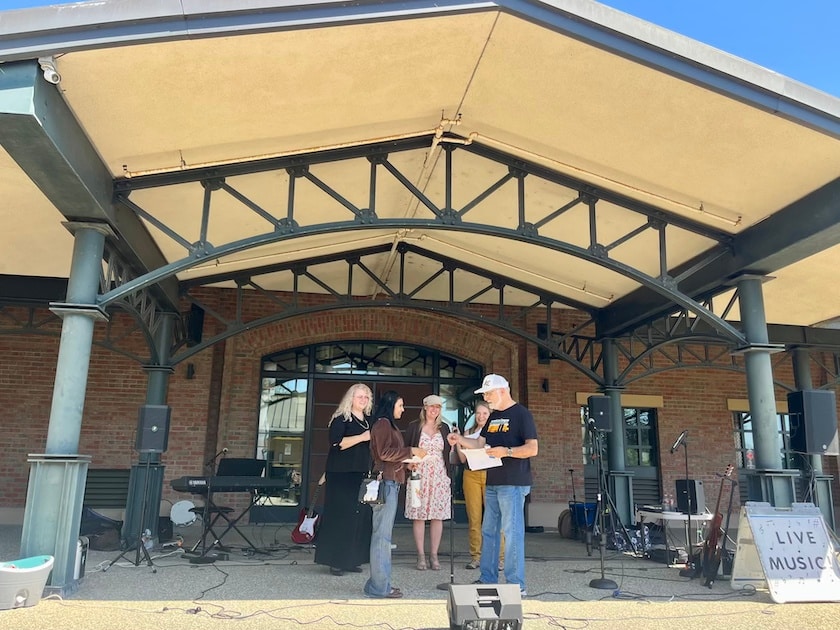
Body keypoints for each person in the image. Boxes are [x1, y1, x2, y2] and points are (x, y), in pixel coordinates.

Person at [447, 374, 538, 597]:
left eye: (488, 393)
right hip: (493, 481)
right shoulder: (493, 416)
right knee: (489, 531)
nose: (486, 398)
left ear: (502, 391)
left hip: (513, 483)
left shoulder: (521, 414)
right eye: (485, 394)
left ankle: (516, 585)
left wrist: (506, 452)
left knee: (511, 532)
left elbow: (532, 448)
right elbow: (479, 442)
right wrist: (459, 440)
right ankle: (488, 578)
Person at [365, 390, 427, 599]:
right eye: (400, 405)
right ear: (391, 405)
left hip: (392, 482)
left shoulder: (386, 424)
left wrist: (407, 462)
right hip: (387, 484)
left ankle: (379, 584)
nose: (403, 409)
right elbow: (383, 453)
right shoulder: (383, 423)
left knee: (382, 536)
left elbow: (389, 455)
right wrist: (411, 452)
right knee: (382, 537)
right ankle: (379, 587)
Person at [314, 383, 374, 576]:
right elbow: (336, 443)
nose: (363, 400)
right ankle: (335, 561)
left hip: (360, 474)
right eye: (359, 397)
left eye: (366, 397)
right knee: (339, 516)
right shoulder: (341, 419)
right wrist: (363, 437)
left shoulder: (369, 420)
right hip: (341, 474)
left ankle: (351, 559)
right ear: (351, 398)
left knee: (357, 517)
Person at [404, 394, 452, 571]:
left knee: (437, 516)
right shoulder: (414, 427)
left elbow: (449, 453)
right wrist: (408, 466)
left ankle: (434, 555)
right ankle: (421, 556)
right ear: (425, 407)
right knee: (419, 515)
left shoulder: (444, 428)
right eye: (431, 406)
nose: (434, 410)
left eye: (438, 407)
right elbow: (406, 449)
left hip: (439, 475)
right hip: (419, 475)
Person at [454, 401, 504, 570]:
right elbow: (462, 460)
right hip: (471, 474)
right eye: (478, 413)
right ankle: (476, 556)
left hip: (491, 474)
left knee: (495, 518)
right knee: (474, 518)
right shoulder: (468, 433)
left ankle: (500, 558)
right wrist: (459, 441)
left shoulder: (495, 432)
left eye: (485, 413)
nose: (481, 416)